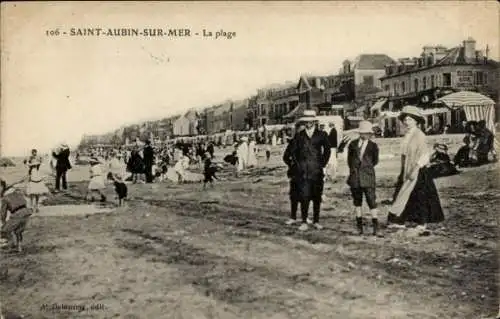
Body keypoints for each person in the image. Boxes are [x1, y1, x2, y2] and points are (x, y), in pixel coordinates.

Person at [388, 106, 444, 234]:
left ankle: (422, 222)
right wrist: (402, 170)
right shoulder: (407, 135)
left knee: (421, 196)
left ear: (416, 121)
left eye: (410, 119)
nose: (407, 122)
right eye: (405, 119)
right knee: (403, 193)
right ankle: (401, 220)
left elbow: (424, 154)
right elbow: (404, 154)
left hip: (419, 169)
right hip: (408, 167)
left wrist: (416, 169)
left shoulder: (420, 135)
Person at [282, 110, 331, 231]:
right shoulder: (299, 135)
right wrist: (296, 165)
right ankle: (304, 221)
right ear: (304, 122)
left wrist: (322, 164)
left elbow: (328, 150)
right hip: (303, 172)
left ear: (314, 121)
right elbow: (291, 152)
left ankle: (316, 221)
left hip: (317, 171)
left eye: (311, 122)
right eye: (306, 122)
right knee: (304, 196)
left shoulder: (322, 135)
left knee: (317, 197)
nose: (308, 124)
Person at [338, 121, 380, 236]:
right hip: (355, 178)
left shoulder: (373, 146)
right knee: (357, 202)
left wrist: (365, 168)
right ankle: (359, 226)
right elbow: (349, 161)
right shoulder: (353, 144)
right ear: (359, 133)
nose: (365, 135)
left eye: (367, 133)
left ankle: (376, 226)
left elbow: (375, 161)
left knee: (371, 201)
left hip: (368, 177)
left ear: (370, 134)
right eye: (363, 133)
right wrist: (354, 171)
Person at [283, 121, 305, 226]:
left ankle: (305, 218)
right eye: (300, 131)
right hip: (296, 173)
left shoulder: (309, 142)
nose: (301, 133)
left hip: (307, 172)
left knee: (306, 195)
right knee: (294, 196)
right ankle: (293, 217)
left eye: (303, 130)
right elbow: (285, 157)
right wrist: (291, 164)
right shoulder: (293, 142)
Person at [0, 178, 32, 253]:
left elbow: (2, 213)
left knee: (4, 230)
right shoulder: (16, 192)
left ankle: (10, 246)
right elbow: (24, 201)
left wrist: (3, 223)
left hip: (18, 214)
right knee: (18, 231)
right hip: (26, 212)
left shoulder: (5, 199)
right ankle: (19, 247)